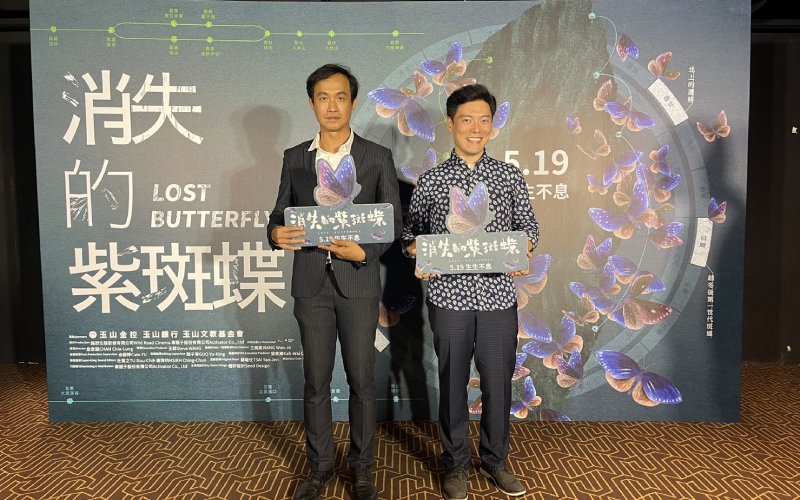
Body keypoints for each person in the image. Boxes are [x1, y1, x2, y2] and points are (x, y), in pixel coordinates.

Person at [267, 63, 402, 500]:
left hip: (358, 284)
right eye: (323, 97)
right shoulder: (295, 158)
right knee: (315, 381)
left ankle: (362, 470)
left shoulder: (376, 157)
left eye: (340, 97)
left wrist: (366, 252)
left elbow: (392, 222)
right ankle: (320, 468)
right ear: (311, 103)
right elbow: (278, 214)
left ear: (353, 102)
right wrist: (275, 233)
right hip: (311, 286)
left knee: (362, 381)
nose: (332, 106)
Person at [402, 84, 539, 500]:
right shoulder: (431, 180)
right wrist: (418, 251)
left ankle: (496, 461)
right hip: (449, 299)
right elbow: (410, 235)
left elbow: (529, 230)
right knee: (453, 382)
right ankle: (455, 464)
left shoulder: (509, 176)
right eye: (466, 120)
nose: (475, 128)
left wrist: (523, 250)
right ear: (450, 124)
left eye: (484, 120)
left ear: (492, 126)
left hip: (498, 298)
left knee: (498, 383)